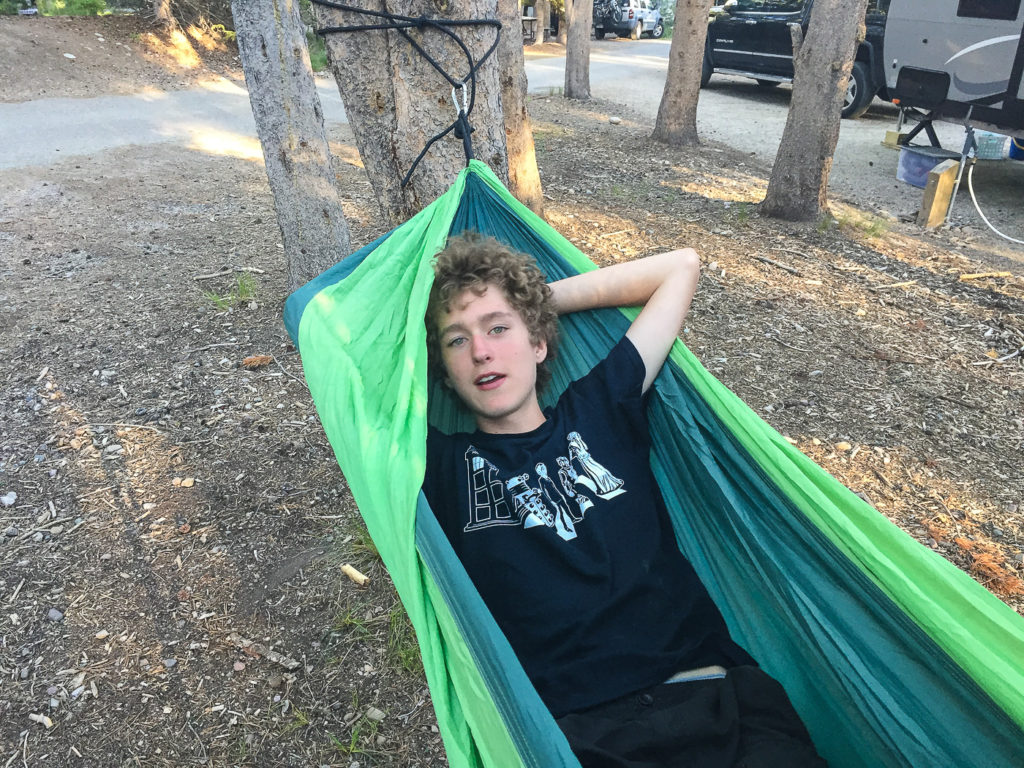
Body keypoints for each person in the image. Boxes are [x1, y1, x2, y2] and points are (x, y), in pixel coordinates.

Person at [422, 234, 825, 768]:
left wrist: (536, 303)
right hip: (582, 739)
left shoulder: (599, 408)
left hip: (715, 698)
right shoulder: (440, 467)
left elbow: (680, 267)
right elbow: (341, 349)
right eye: (457, 341)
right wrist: (500, 318)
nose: (480, 351)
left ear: (539, 343)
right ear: (445, 373)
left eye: (498, 329)